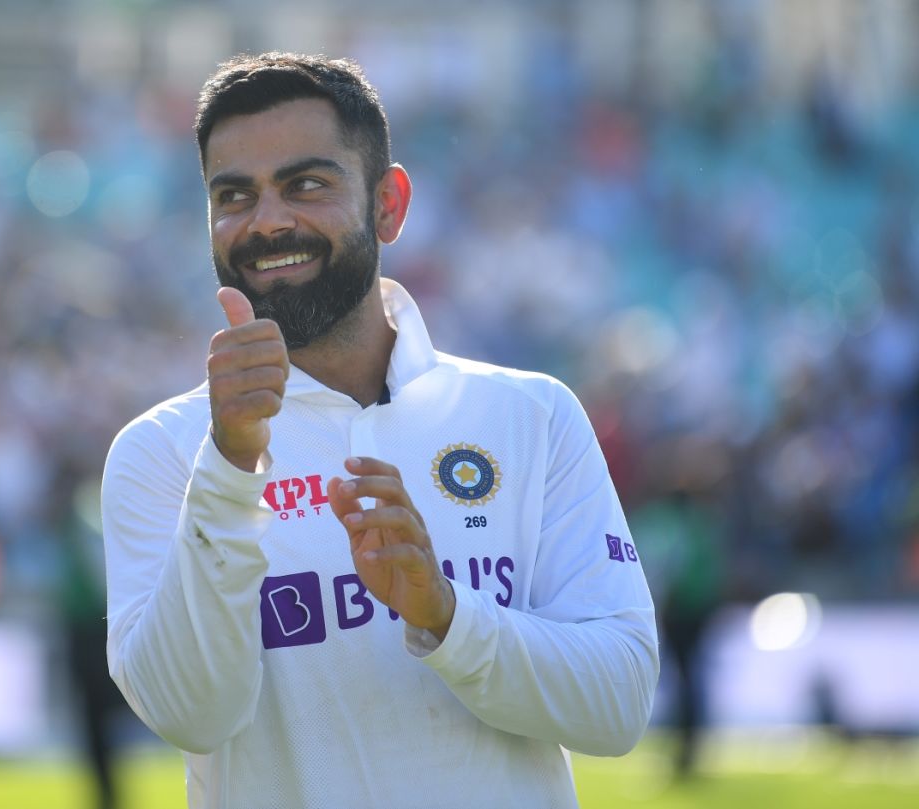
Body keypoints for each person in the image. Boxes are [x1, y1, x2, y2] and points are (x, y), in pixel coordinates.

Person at [102, 53, 659, 808]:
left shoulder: (532, 415)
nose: (268, 220)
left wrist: (445, 614)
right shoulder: (162, 451)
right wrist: (231, 465)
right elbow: (191, 713)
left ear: (388, 205)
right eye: (234, 195)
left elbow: (618, 703)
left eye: (307, 184)